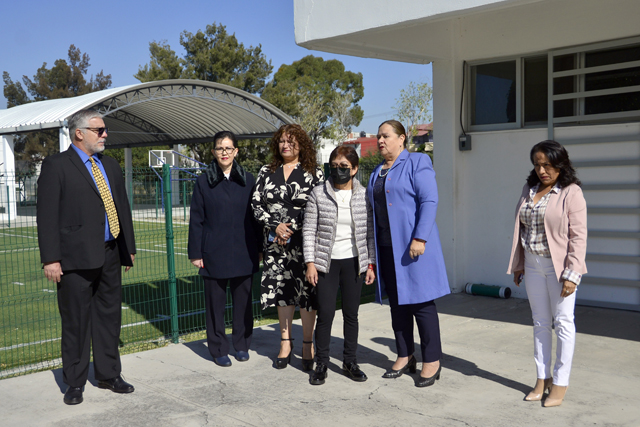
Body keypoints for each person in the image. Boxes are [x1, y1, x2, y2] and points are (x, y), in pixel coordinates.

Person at [37, 109, 136, 405]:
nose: (105, 134)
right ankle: (75, 382)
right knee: (76, 323)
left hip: (109, 254)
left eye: (103, 130)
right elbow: (46, 216)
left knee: (109, 319)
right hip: (73, 259)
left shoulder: (111, 165)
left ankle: (108, 374)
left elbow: (122, 207)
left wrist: (127, 247)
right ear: (79, 133)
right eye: (99, 130)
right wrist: (51, 259)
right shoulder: (56, 165)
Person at [367, 120, 450, 388]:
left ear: (402, 139)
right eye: (378, 136)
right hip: (386, 249)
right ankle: (404, 354)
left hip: (413, 248)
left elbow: (429, 200)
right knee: (398, 305)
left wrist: (420, 237)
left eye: (386, 136)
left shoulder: (417, 162)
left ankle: (432, 360)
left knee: (421, 304)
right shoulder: (376, 172)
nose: (380, 140)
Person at [507, 140, 587, 407]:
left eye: (547, 165)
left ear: (559, 164)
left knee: (563, 323)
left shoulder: (570, 192)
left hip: (559, 268)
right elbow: (523, 232)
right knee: (540, 322)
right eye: (537, 164)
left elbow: (578, 236)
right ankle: (542, 379)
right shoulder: (529, 190)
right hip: (532, 264)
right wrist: (519, 264)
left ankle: (560, 382)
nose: (542, 170)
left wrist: (573, 274)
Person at [252, 124, 324, 370]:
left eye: (291, 141)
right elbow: (255, 204)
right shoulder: (266, 170)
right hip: (274, 245)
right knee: (281, 293)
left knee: (306, 295)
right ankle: (285, 342)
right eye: (282, 141)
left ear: (301, 145)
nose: (285, 145)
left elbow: (320, 206)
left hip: (305, 244)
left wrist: (290, 227)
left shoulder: (314, 172)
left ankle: (307, 343)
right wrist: (275, 226)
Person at [303, 145, 376, 385]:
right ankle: (321, 363)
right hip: (326, 262)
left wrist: (370, 263)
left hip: (354, 262)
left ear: (354, 169)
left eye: (344, 167)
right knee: (325, 314)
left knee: (351, 315)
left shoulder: (364, 195)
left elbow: (369, 234)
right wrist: (310, 263)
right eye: (334, 167)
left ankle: (349, 361)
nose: (338, 171)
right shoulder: (318, 193)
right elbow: (309, 230)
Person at [188, 131, 261, 367]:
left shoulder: (248, 180)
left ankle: (241, 345)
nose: (225, 152)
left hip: (244, 251)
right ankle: (218, 348)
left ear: (236, 152)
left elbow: (255, 218)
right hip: (213, 253)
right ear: (213, 152)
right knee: (215, 306)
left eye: (229, 148)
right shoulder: (203, 181)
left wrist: (259, 248)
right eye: (220, 148)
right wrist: (196, 253)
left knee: (243, 304)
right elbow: (196, 219)